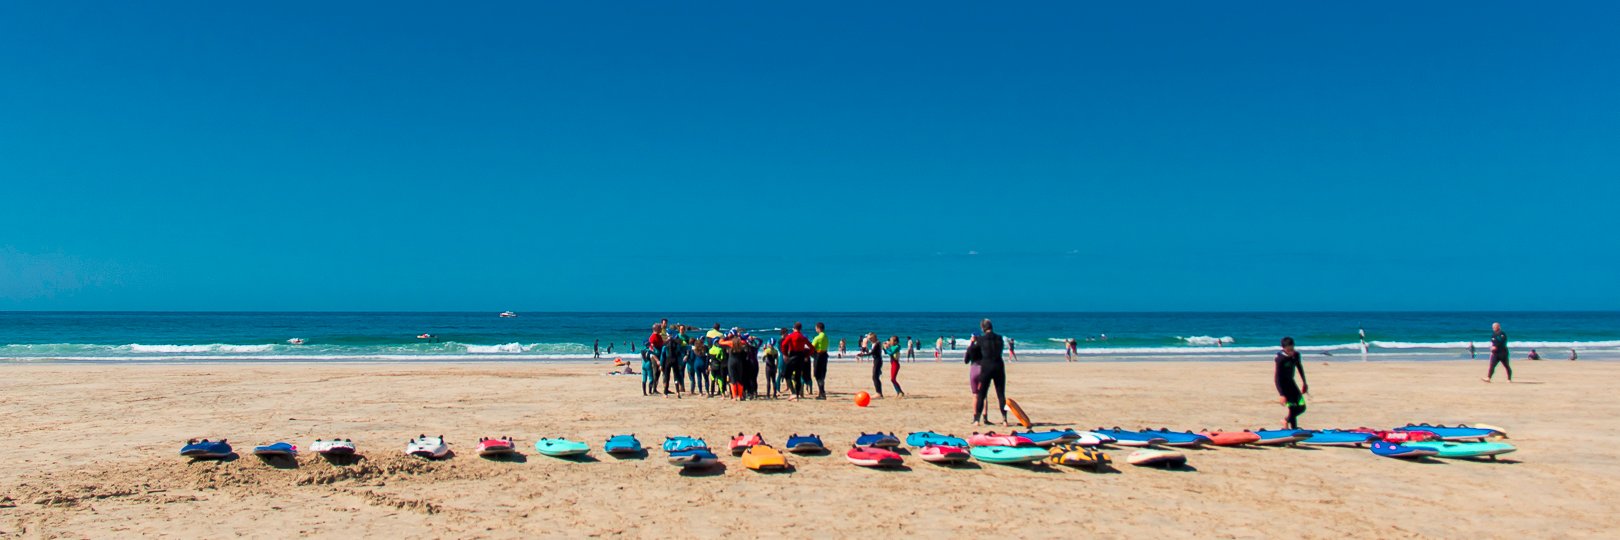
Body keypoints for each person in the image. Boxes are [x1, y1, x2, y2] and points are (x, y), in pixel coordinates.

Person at [968, 320, 1007, 426]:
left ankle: (977, 420)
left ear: (982, 328)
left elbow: (972, 352)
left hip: (986, 367)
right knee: (1001, 394)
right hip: (999, 365)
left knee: (982, 393)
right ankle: (1004, 420)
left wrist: (972, 343)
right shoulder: (999, 338)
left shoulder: (981, 339)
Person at [1275, 337, 1308, 429]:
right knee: (1292, 408)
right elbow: (1277, 378)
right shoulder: (1280, 359)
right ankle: (1292, 428)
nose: (1291, 352)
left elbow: (1299, 367)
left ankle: (1286, 421)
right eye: (1289, 350)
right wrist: (1281, 394)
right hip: (1284, 387)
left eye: (1292, 349)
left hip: (1292, 384)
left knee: (1302, 407)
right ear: (1283, 348)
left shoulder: (1296, 355)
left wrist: (1304, 383)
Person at [780, 322, 814, 400]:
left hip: (792, 356)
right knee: (798, 377)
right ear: (800, 328)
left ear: (794, 328)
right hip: (801, 358)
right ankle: (797, 395)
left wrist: (785, 354)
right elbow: (812, 348)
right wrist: (806, 355)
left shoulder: (791, 336)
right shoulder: (803, 337)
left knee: (786, 375)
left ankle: (793, 392)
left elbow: (783, 344)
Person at [812, 322, 830, 399]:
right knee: (822, 374)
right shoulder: (826, 336)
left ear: (818, 328)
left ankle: (822, 393)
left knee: (817, 374)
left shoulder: (818, 337)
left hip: (818, 356)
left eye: (816, 328)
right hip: (825, 355)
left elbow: (812, 346)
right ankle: (821, 393)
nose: (815, 329)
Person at [864, 332, 886, 398]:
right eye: (869, 339)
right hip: (876, 360)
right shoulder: (873, 343)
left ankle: (879, 393)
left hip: (878, 361)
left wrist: (862, 355)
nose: (870, 340)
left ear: (874, 337)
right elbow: (871, 352)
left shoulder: (877, 343)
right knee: (875, 377)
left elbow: (872, 352)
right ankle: (879, 393)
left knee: (875, 377)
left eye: (871, 338)